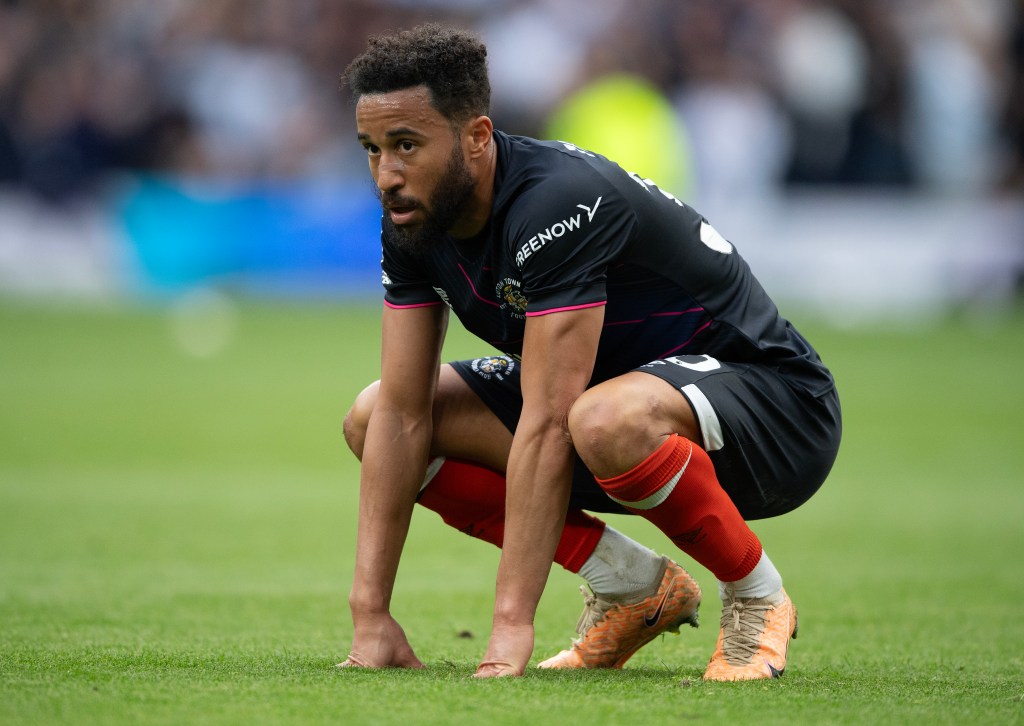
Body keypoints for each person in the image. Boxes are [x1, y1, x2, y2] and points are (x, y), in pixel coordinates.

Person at [338, 24, 841, 681]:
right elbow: (405, 416)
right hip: (611, 412)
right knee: (372, 416)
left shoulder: (554, 202)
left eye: (406, 145)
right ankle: (632, 584)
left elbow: (550, 422)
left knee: (600, 419)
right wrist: (369, 614)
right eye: (372, 149)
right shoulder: (413, 217)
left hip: (777, 409)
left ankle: (756, 598)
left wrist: (510, 630)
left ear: (477, 137)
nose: (387, 174)